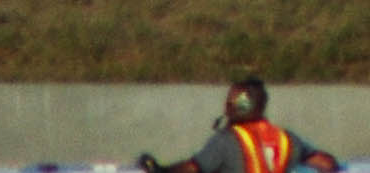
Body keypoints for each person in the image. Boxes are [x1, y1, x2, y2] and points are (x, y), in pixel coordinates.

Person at [140, 77, 338, 173]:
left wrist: (160, 170)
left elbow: (193, 168)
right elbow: (328, 164)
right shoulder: (288, 139)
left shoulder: (226, 141)